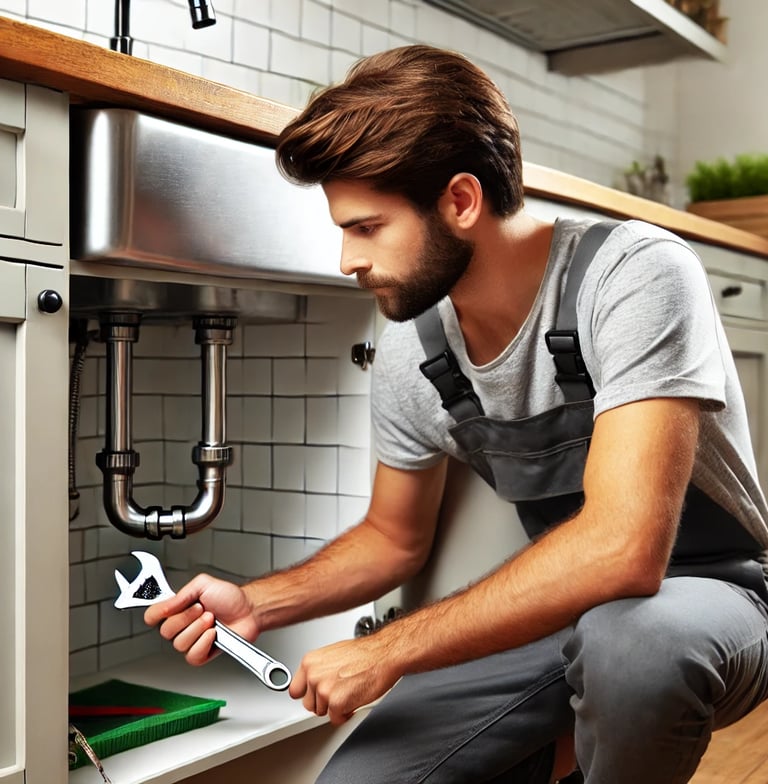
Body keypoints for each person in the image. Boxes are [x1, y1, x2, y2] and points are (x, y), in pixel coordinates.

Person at [144, 45, 768, 783]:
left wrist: (384, 650)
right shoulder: (416, 349)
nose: (347, 259)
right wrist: (256, 602)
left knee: (638, 647)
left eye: (367, 227)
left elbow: (621, 548)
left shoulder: (631, 275)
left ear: (461, 201)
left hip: (713, 595)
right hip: (564, 609)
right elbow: (390, 539)